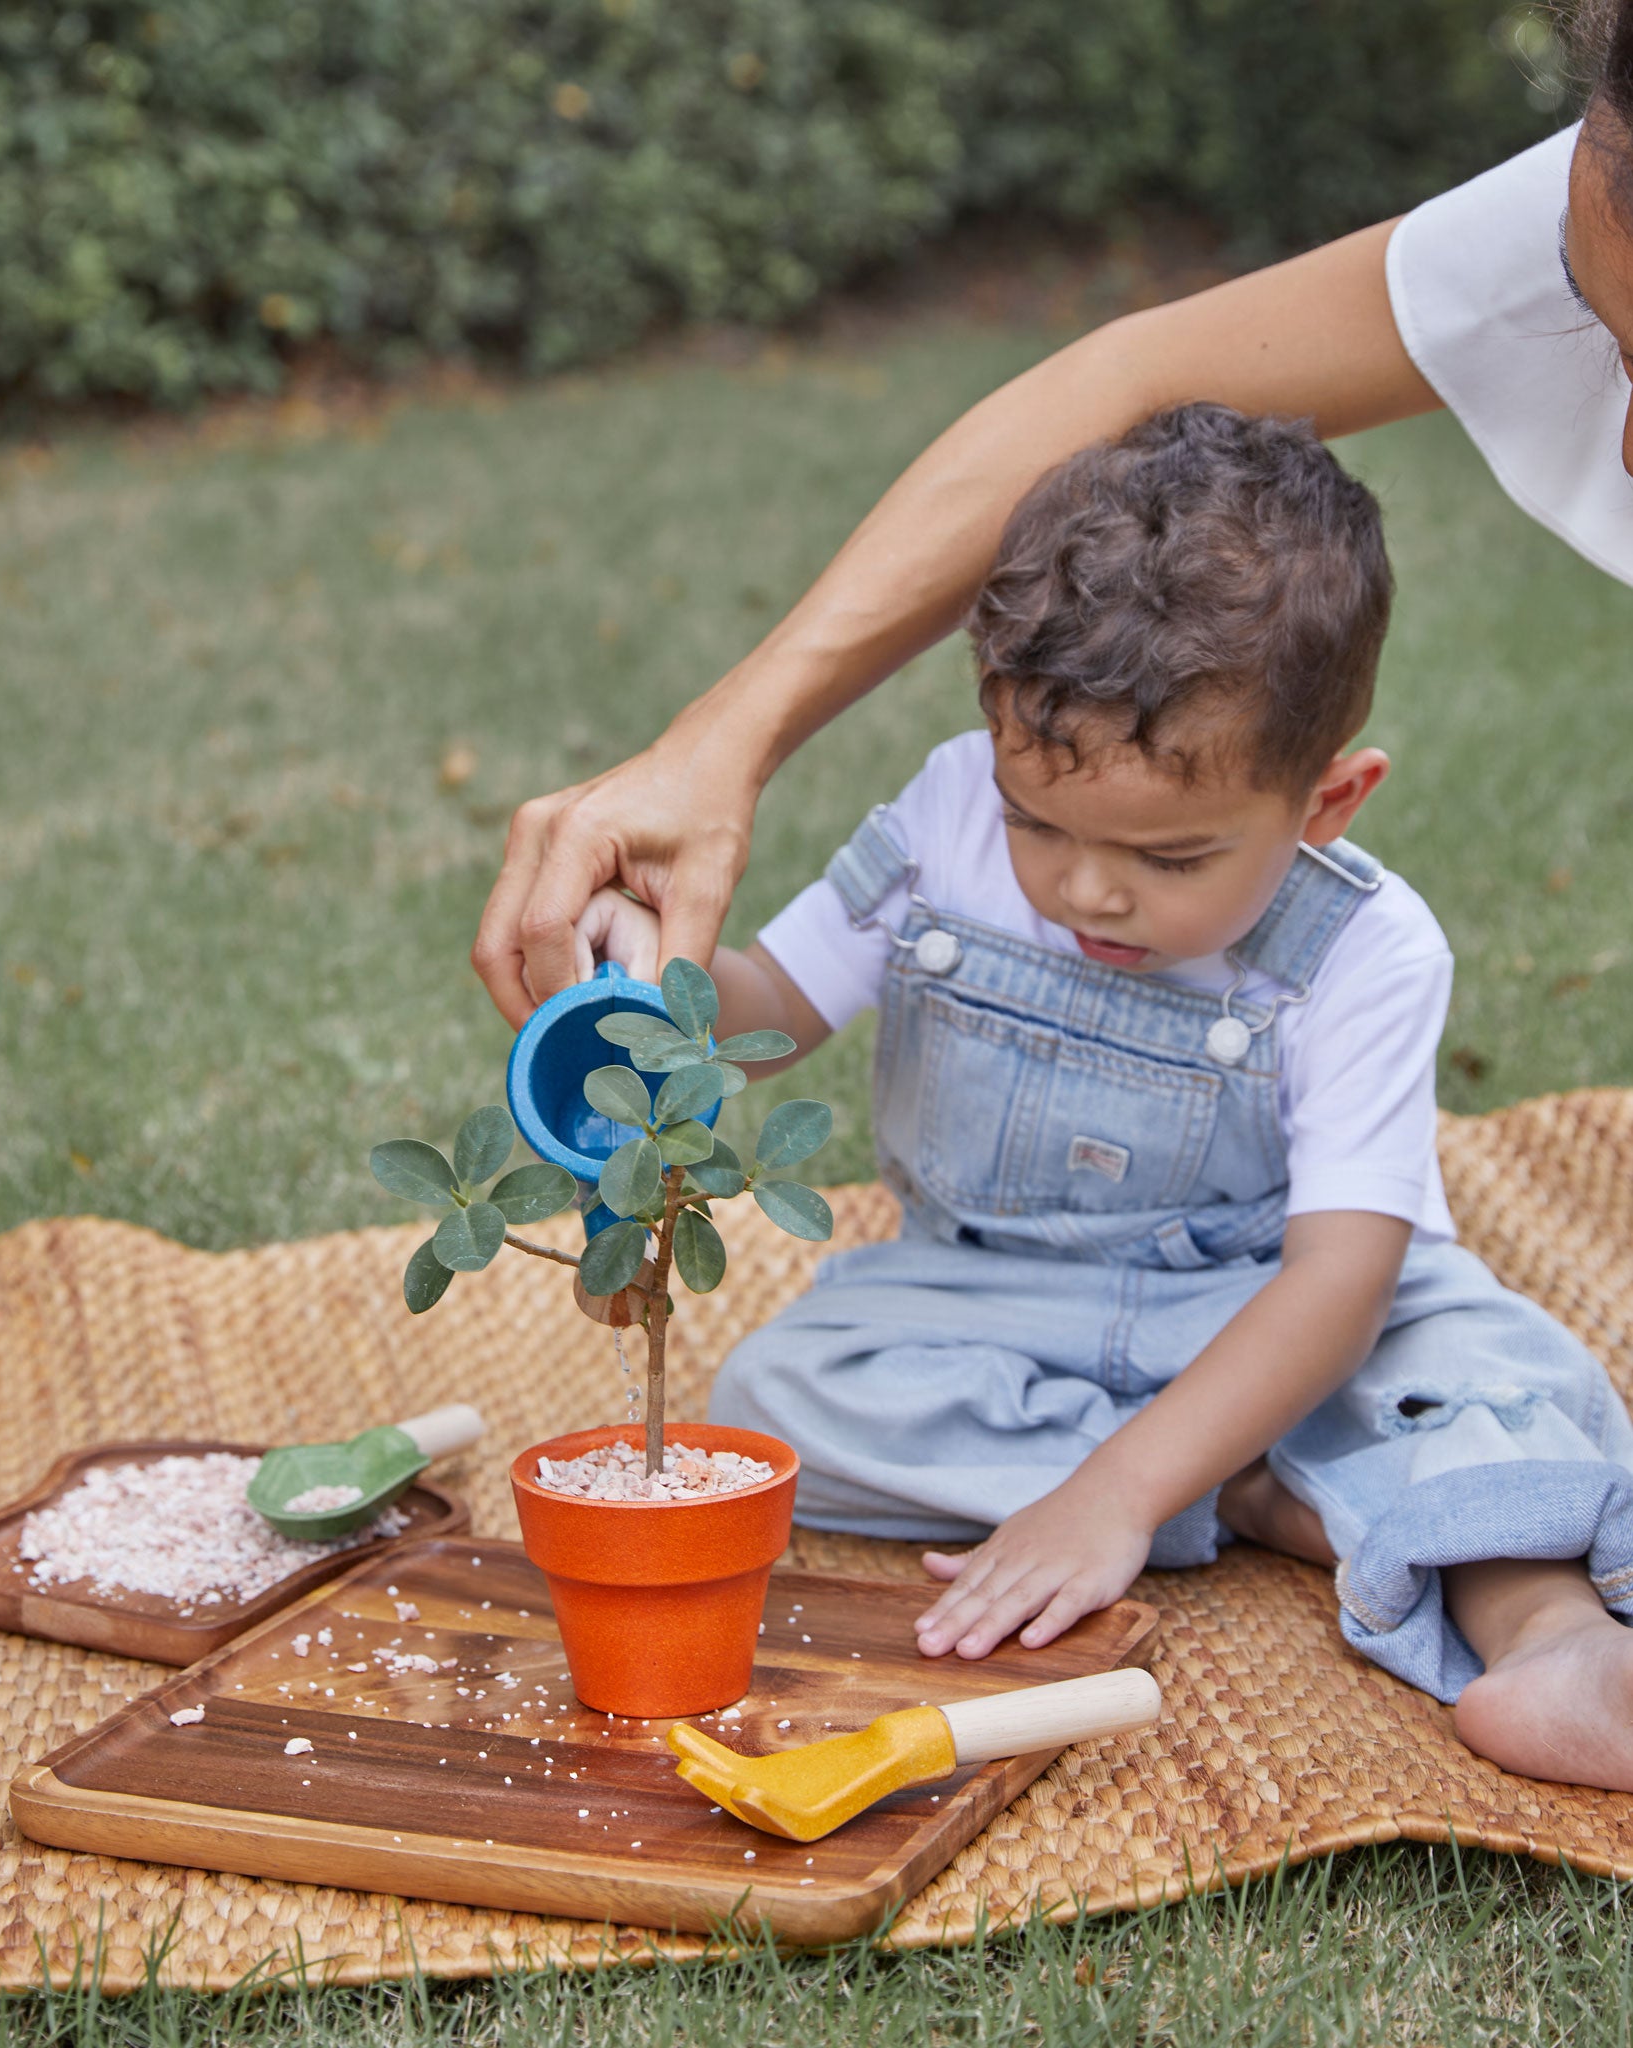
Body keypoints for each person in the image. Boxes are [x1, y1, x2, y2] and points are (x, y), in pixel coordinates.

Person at [572, 404, 1633, 1794]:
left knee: (1498, 1391)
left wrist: (1115, 1488)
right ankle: (1261, 1487)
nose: (1082, 888)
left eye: (1169, 854)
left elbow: (1341, 1280)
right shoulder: (948, 812)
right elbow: (772, 1005)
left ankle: (1554, 1644)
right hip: (995, 1292)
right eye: (1038, 823)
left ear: (1328, 800)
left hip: (1274, 1301)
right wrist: (658, 984)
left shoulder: (1368, 949)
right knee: (784, 1393)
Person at [473, 0, 1633, 1025]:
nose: (1617, 446)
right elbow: (1122, 389)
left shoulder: (1361, 960)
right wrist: (712, 750)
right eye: (1600, 330)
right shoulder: (1607, 180)